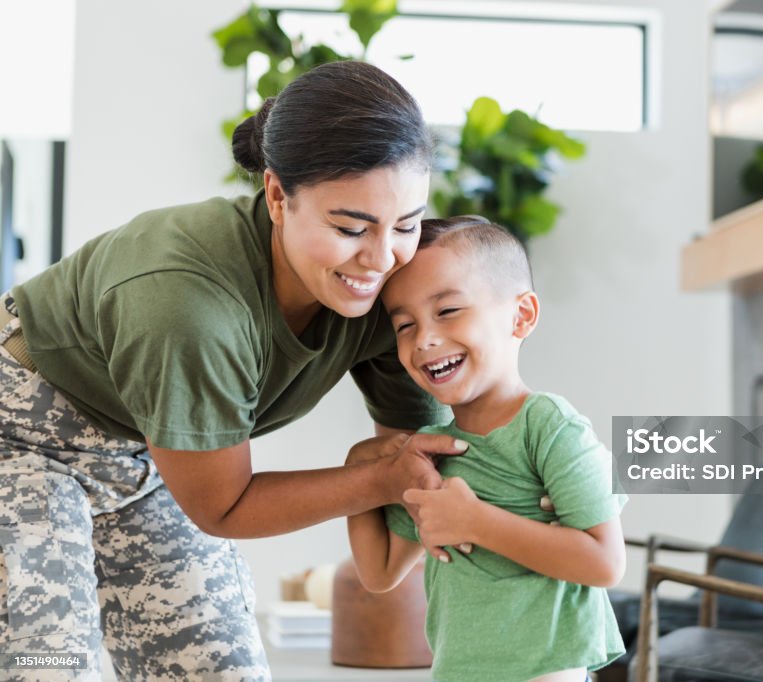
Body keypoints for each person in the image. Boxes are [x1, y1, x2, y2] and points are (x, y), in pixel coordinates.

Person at [0, 61, 469, 681]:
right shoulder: (186, 304)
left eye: (406, 224)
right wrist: (376, 481)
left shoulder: (391, 293)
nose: (381, 257)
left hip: (150, 456)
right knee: (47, 666)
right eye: (350, 227)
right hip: (20, 441)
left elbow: (421, 455)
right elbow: (223, 506)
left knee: (224, 670)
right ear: (277, 195)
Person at [347, 216, 628, 682]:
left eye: (448, 311)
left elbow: (604, 562)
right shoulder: (429, 451)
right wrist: (359, 469)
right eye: (404, 325)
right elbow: (380, 572)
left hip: (546, 671)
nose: (425, 339)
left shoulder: (548, 425)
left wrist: (477, 522)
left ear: (522, 316)